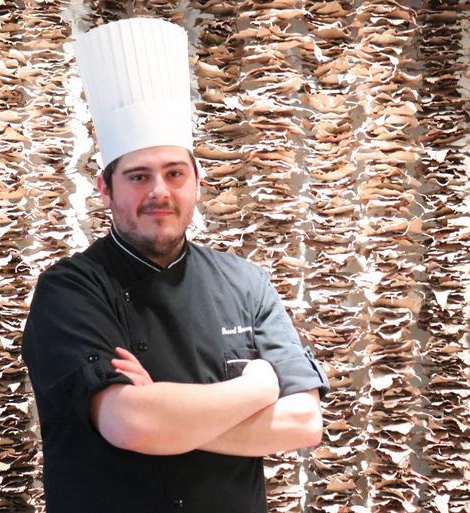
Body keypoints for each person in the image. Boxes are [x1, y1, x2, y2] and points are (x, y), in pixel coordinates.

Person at [21, 17, 330, 513]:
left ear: (197, 183)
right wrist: (258, 387)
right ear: (106, 189)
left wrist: (167, 416)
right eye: (138, 176)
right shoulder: (71, 289)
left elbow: (303, 423)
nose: (159, 192)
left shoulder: (246, 283)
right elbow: (130, 423)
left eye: (174, 173)